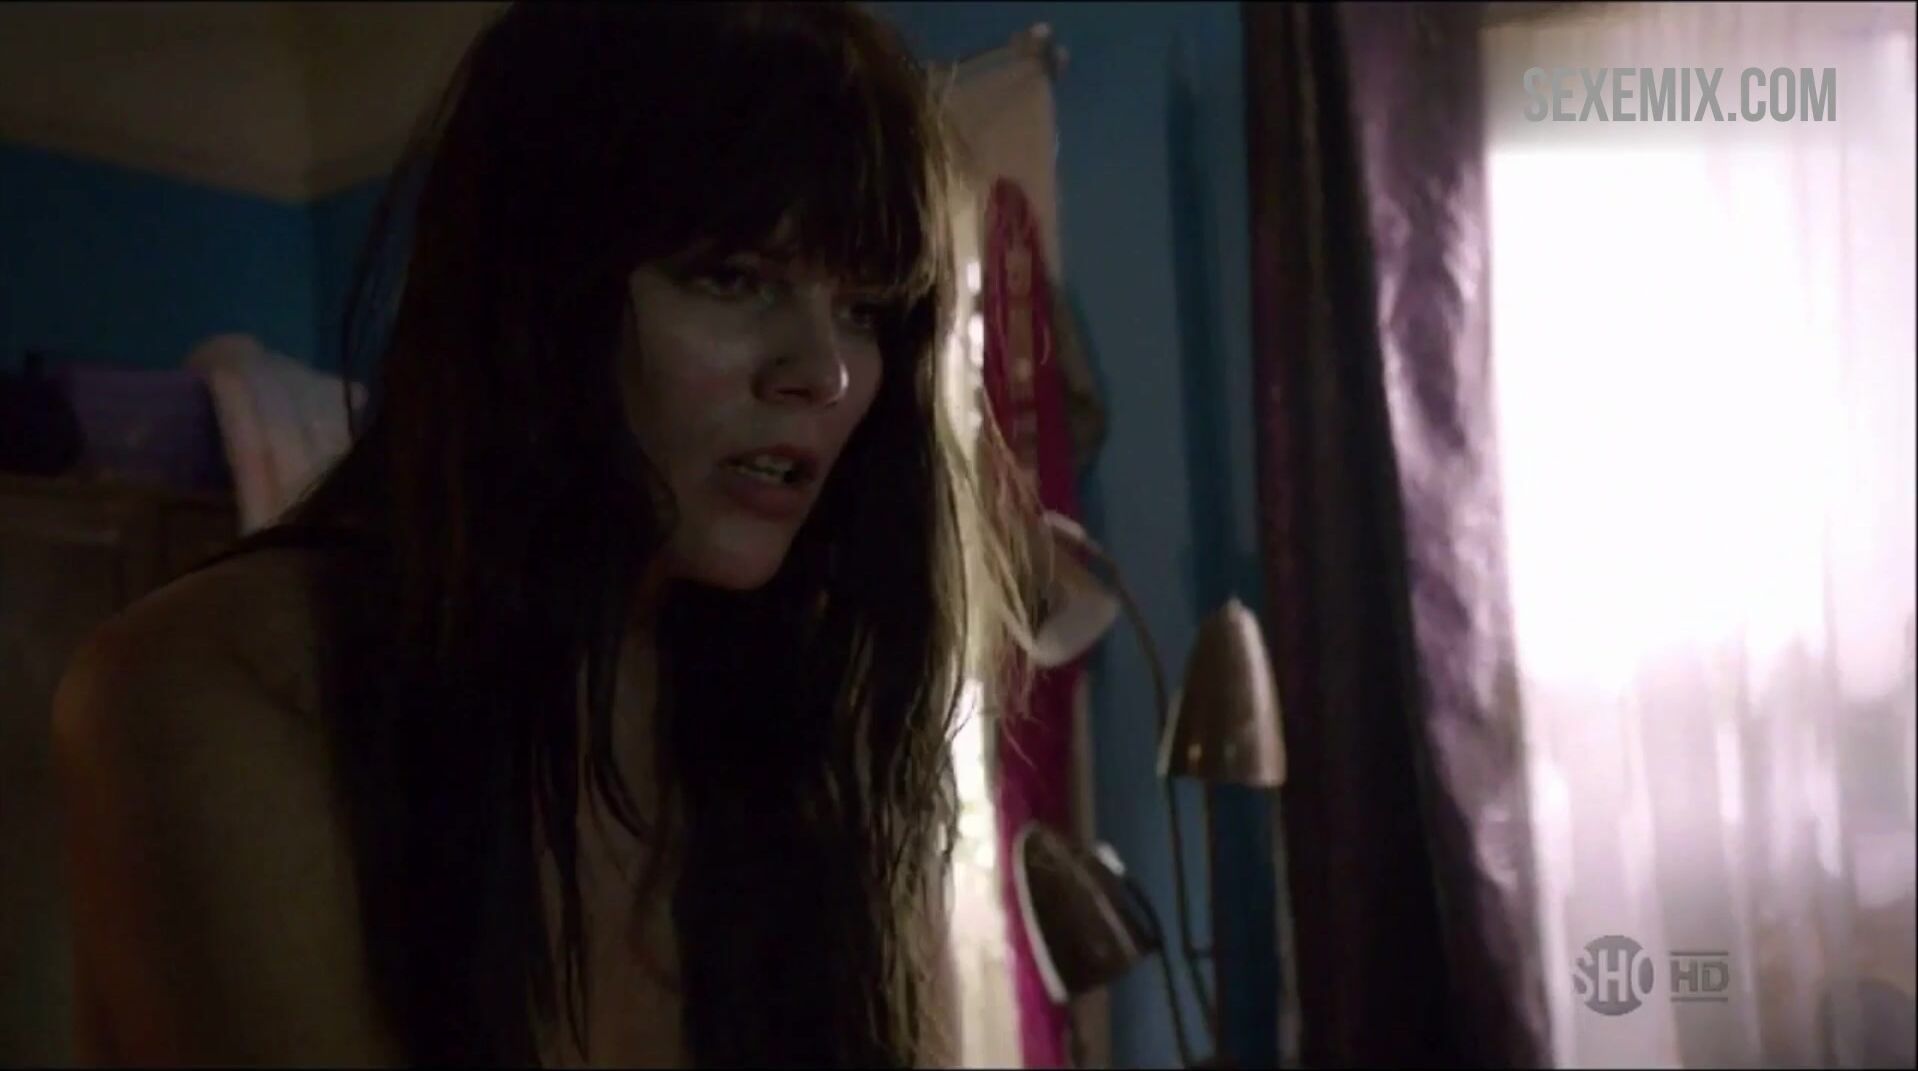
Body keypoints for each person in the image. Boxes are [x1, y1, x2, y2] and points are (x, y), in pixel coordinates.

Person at [50, 2, 1029, 1066]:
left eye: (865, 308)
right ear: (537, 289)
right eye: (733, 277)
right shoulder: (224, 680)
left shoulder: (792, 718)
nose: (824, 373)